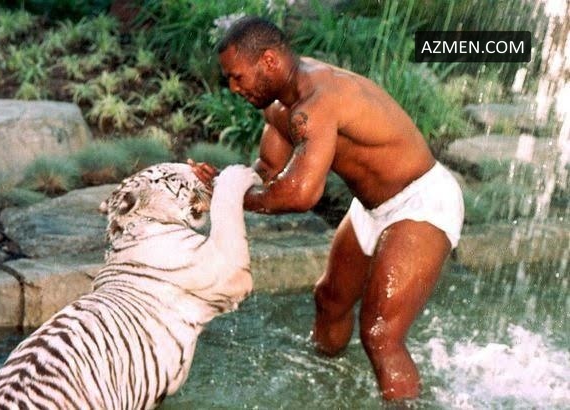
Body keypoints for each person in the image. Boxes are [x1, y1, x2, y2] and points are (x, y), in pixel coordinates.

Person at [189, 16, 464, 401]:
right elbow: (268, 171)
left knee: (380, 333)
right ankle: (326, 391)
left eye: (237, 77)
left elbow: (300, 195)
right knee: (329, 300)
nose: (233, 88)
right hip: (371, 209)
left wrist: (229, 198)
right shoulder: (280, 105)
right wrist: (222, 183)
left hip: (421, 201)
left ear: (268, 61)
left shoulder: (319, 98)